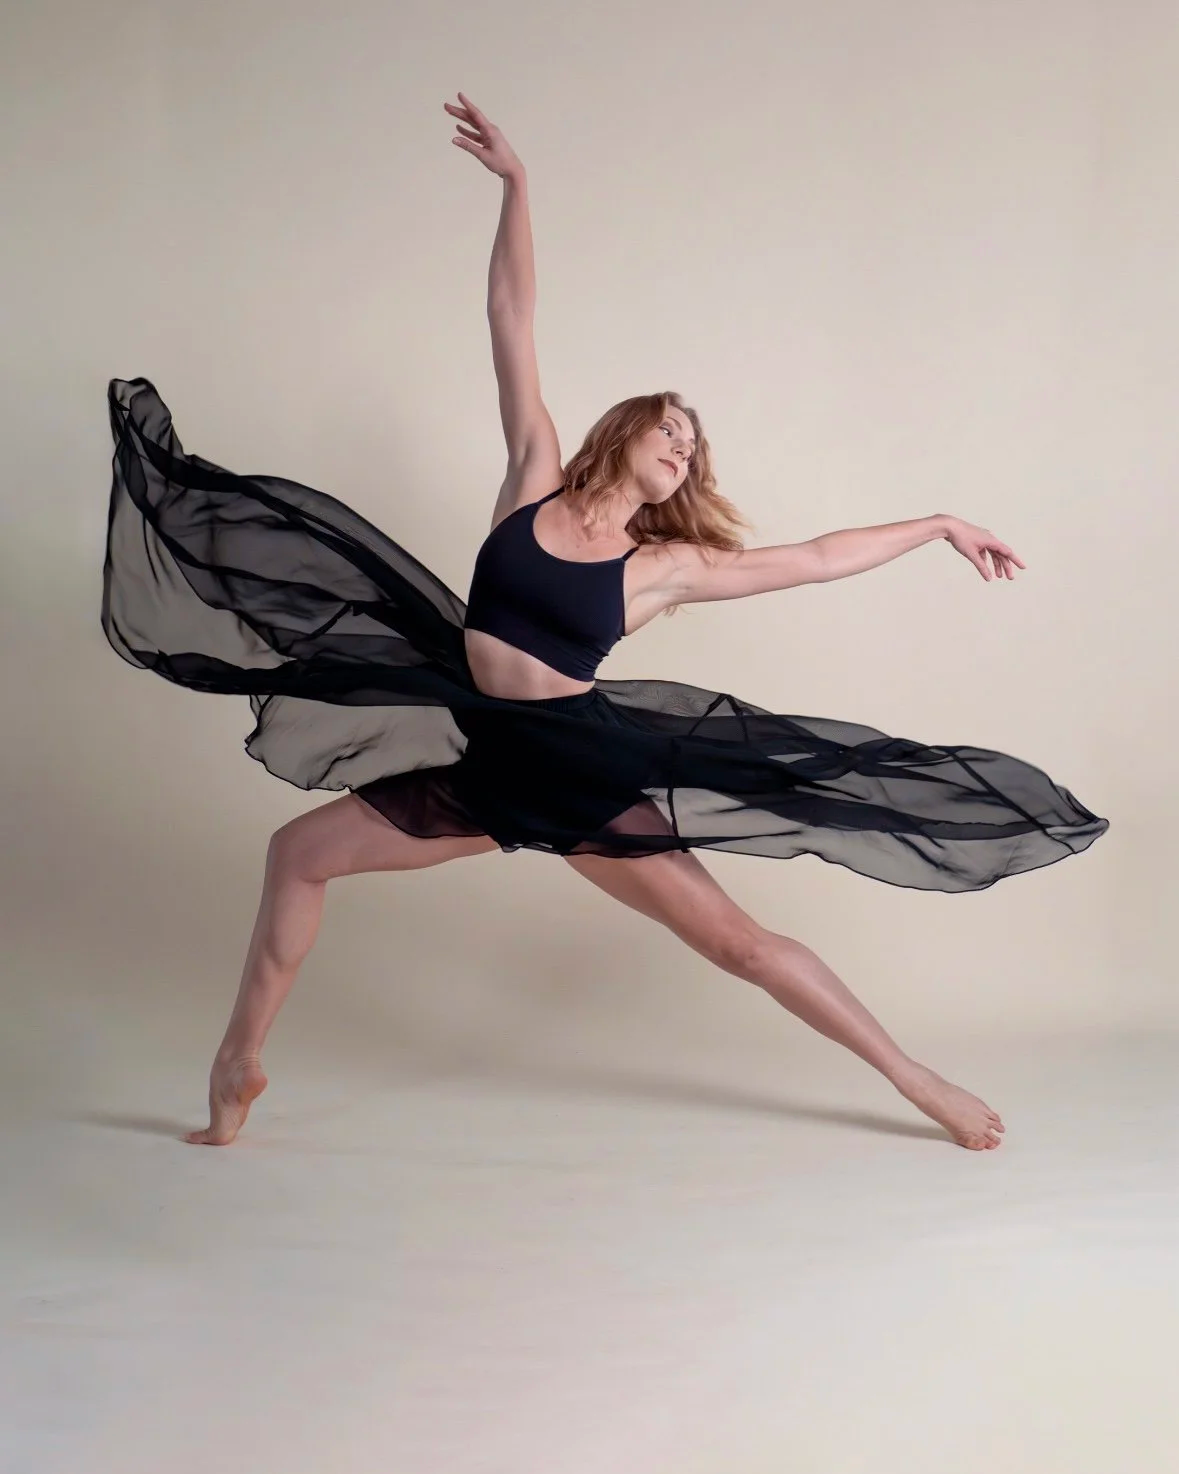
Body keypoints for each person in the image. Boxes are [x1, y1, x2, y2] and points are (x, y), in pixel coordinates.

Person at [101, 93, 1107, 1152]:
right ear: (623, 431)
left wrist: (941, 521)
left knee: (740, 947)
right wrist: (518, 186)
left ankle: (918, 1079)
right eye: (667, 426)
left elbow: (812, 559)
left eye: (692, 443)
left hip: (580, 769)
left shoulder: (661, 567)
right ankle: (239, 1061)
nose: (680, 443)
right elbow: (510, 319)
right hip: (487, 756)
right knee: (295, 853)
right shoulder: (532, 479)